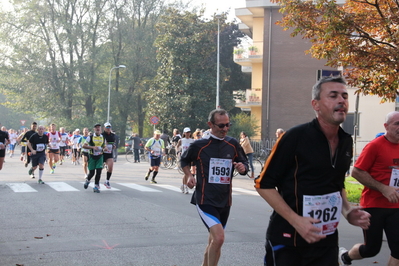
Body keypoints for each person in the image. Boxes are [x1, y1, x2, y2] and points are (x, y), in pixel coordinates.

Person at [255, 76, 371, 266]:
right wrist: (296, 220)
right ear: (315, 104)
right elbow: (263, 184)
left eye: (344, 96)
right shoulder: (295, 137)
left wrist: (348, 210)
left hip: (327, 240)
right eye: (333, 96)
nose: (341, 100)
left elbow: (336, 183)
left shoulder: (346, 141)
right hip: (289, 240)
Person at [181, 109, 249, 266]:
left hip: (225, 201)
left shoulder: (232, 144)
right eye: (221, 125)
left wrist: (242, 167)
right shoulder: (199, 145)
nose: (225, 129)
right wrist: (189, 176)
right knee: (219, 238)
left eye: (228, 125)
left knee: (214, 240)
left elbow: (244, 164)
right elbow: (184, 161)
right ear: (210, 124)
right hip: (205, 199)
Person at [339, 111, 399, 266]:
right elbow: (357, 172)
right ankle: (346, 257)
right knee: (371, 249)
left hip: (396, 206)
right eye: (397, 124)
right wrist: (383, 189)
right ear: (386, 126)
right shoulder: (375, 146)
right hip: (374, 205)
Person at [83, 123, 107, 193]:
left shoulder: (103, 137)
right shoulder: (90, 137)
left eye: (99, 127)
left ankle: (96, 186)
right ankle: (88, 180)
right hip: (92, 157)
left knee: (99, 171)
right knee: (92, 173)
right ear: (94, 129)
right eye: (96, 128)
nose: (97, 129)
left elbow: (104, 146)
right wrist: (92, 147)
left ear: (101, 129)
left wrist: (105, 148)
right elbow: (84, 146)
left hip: (100, 156)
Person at [176, 127, 194, 194]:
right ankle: (185, 186)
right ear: (184, 133)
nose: (188, 133)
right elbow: (177, 146)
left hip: (189, 158)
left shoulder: (192, 141)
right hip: (183, 158)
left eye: (189, 132)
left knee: (187, 173)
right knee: (186, 173)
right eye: (186, 132)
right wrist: (178, 152)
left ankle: (183, 185)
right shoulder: (181, 140)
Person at [102, 122, 117, 189]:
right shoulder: (101, 135)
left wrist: (114, 146)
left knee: (110, 168)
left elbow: (114, 143)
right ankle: (96, 182)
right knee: (98, 169)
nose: (108, 128)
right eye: (107, 127)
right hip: (101, 153)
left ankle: (107, 181)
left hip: (109, 153)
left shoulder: (113, 135)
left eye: (109, 127)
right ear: (104, 128)